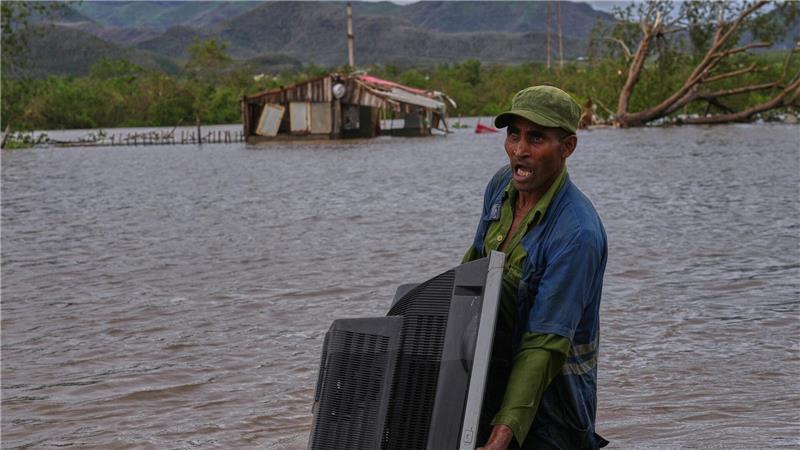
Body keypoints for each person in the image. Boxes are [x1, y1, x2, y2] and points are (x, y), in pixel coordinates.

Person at [463, 85, 608, 449]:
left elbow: (543, 345)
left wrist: (501, 436)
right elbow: (471, 275)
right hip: (491, 379)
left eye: (537, 137)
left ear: (568, 147)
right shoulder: (501, 187)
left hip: (553, 407)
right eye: (514, 134)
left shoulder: (577, 234)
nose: (520, 150)